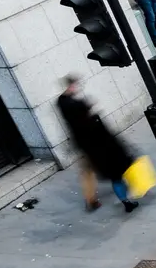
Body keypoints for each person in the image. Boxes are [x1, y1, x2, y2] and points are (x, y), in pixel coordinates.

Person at [57, 76, 138, 214]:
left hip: (85, 146)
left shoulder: (62, 103)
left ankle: (92, 200)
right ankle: (124, 197)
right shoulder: (92, 122)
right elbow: (110, 139)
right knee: (115, 174)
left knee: (89, 172)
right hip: (100, 149)